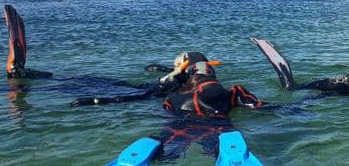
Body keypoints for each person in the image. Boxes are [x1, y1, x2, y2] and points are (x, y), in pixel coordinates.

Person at [84, 52, 269, 162]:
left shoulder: (172, 95)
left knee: (167, 155)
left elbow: (150, 102)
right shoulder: (233, 91)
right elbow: (260, 108)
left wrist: (99, 101)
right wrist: (296, 103)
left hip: (178, 126)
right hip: (216, 125)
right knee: (220, 149)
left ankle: (149, 148)